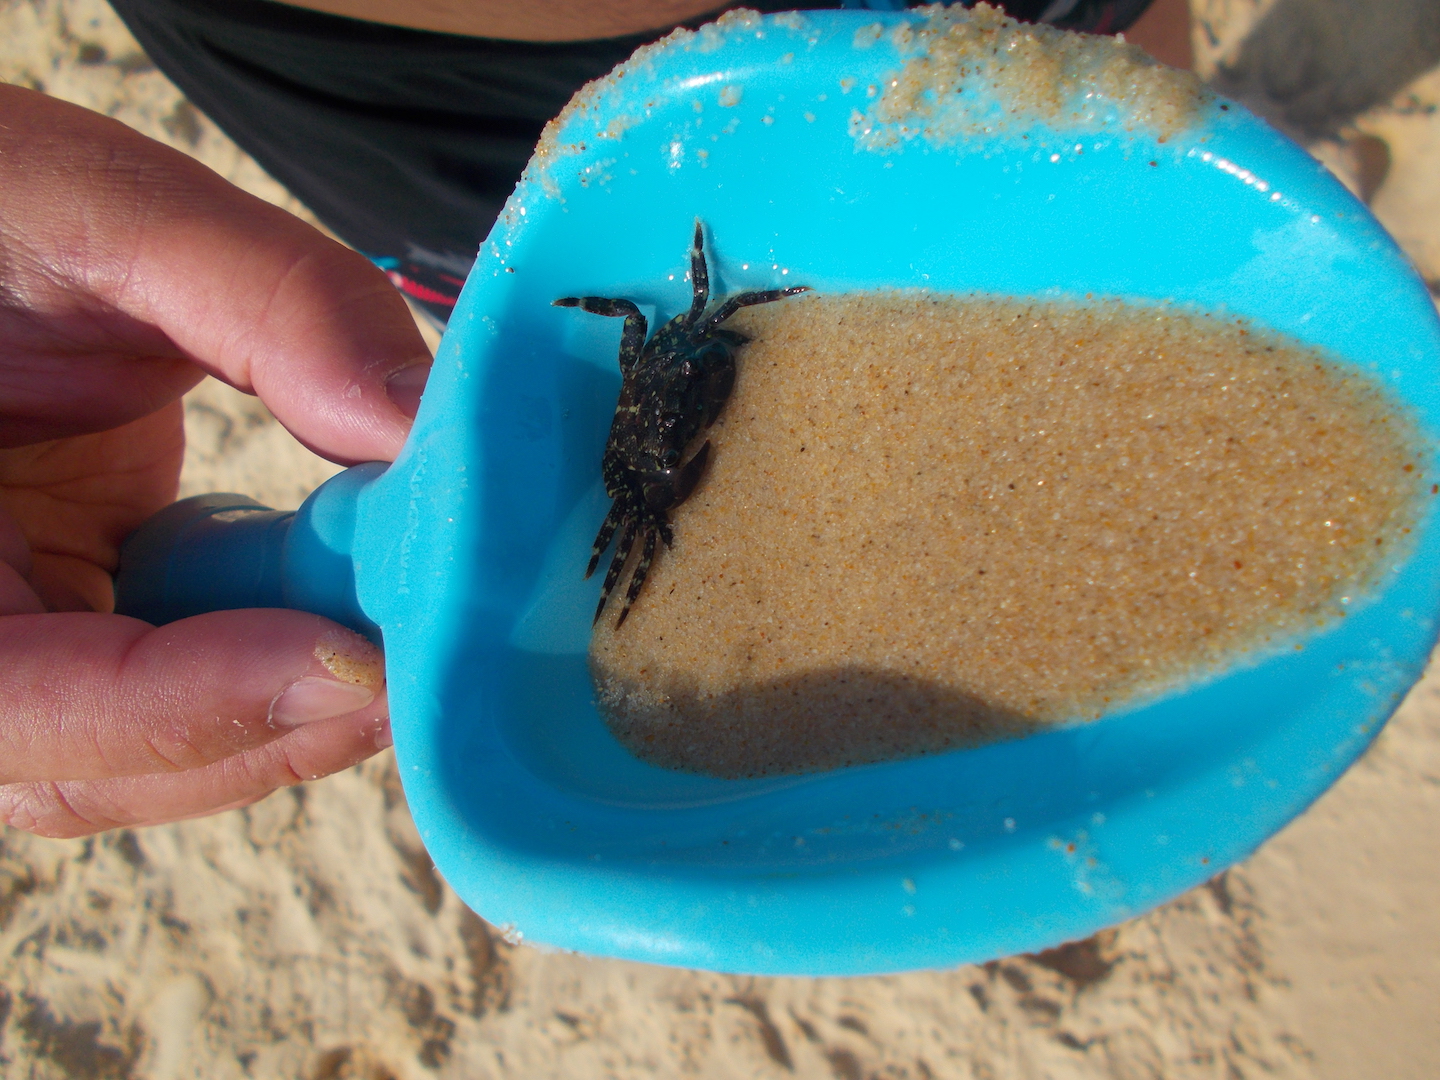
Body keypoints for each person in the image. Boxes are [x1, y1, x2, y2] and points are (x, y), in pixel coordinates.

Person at [0, 0, 1184, 838]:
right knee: (506, 282)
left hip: (471, 152)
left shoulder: (677, 365)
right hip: (386, 86)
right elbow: (639, 417)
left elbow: (665, 324)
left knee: (1111, 188)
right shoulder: (634, 488)